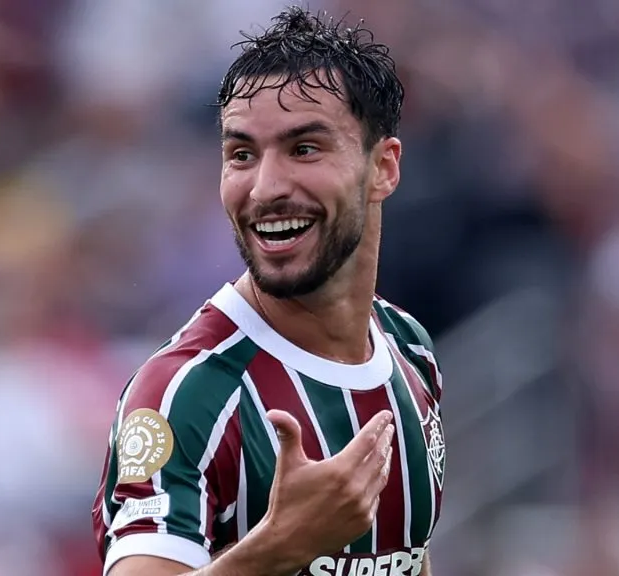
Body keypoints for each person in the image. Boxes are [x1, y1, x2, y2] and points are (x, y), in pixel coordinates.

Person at [92, 7, 446, 576]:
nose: (265, 188)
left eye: (304, 149)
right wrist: (281, 546)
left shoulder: (410, 351)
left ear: (383, 167)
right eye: (242, 155)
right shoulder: (187, 395)